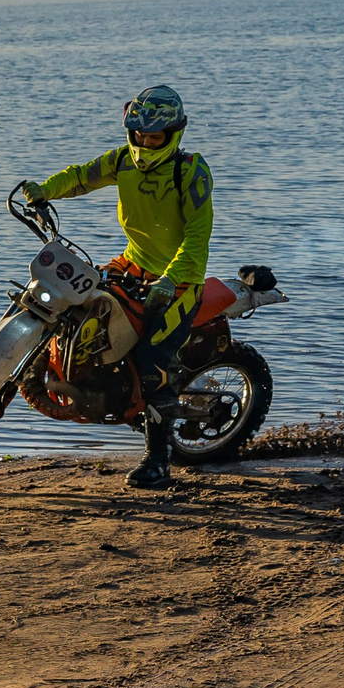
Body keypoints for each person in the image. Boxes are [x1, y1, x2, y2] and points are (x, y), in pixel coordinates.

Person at [22, 84, 214, 490]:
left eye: (154, 136)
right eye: (139, 134)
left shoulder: (191, 171)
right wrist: (44, 190)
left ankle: (159, 460)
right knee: (74, 307)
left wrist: (171, 279)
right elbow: (80, 177)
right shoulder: (123, 160)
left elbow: (196, 238)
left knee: (152, 364)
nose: (144, 142)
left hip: (181, 280)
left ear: (174, 134)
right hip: (132, 263)